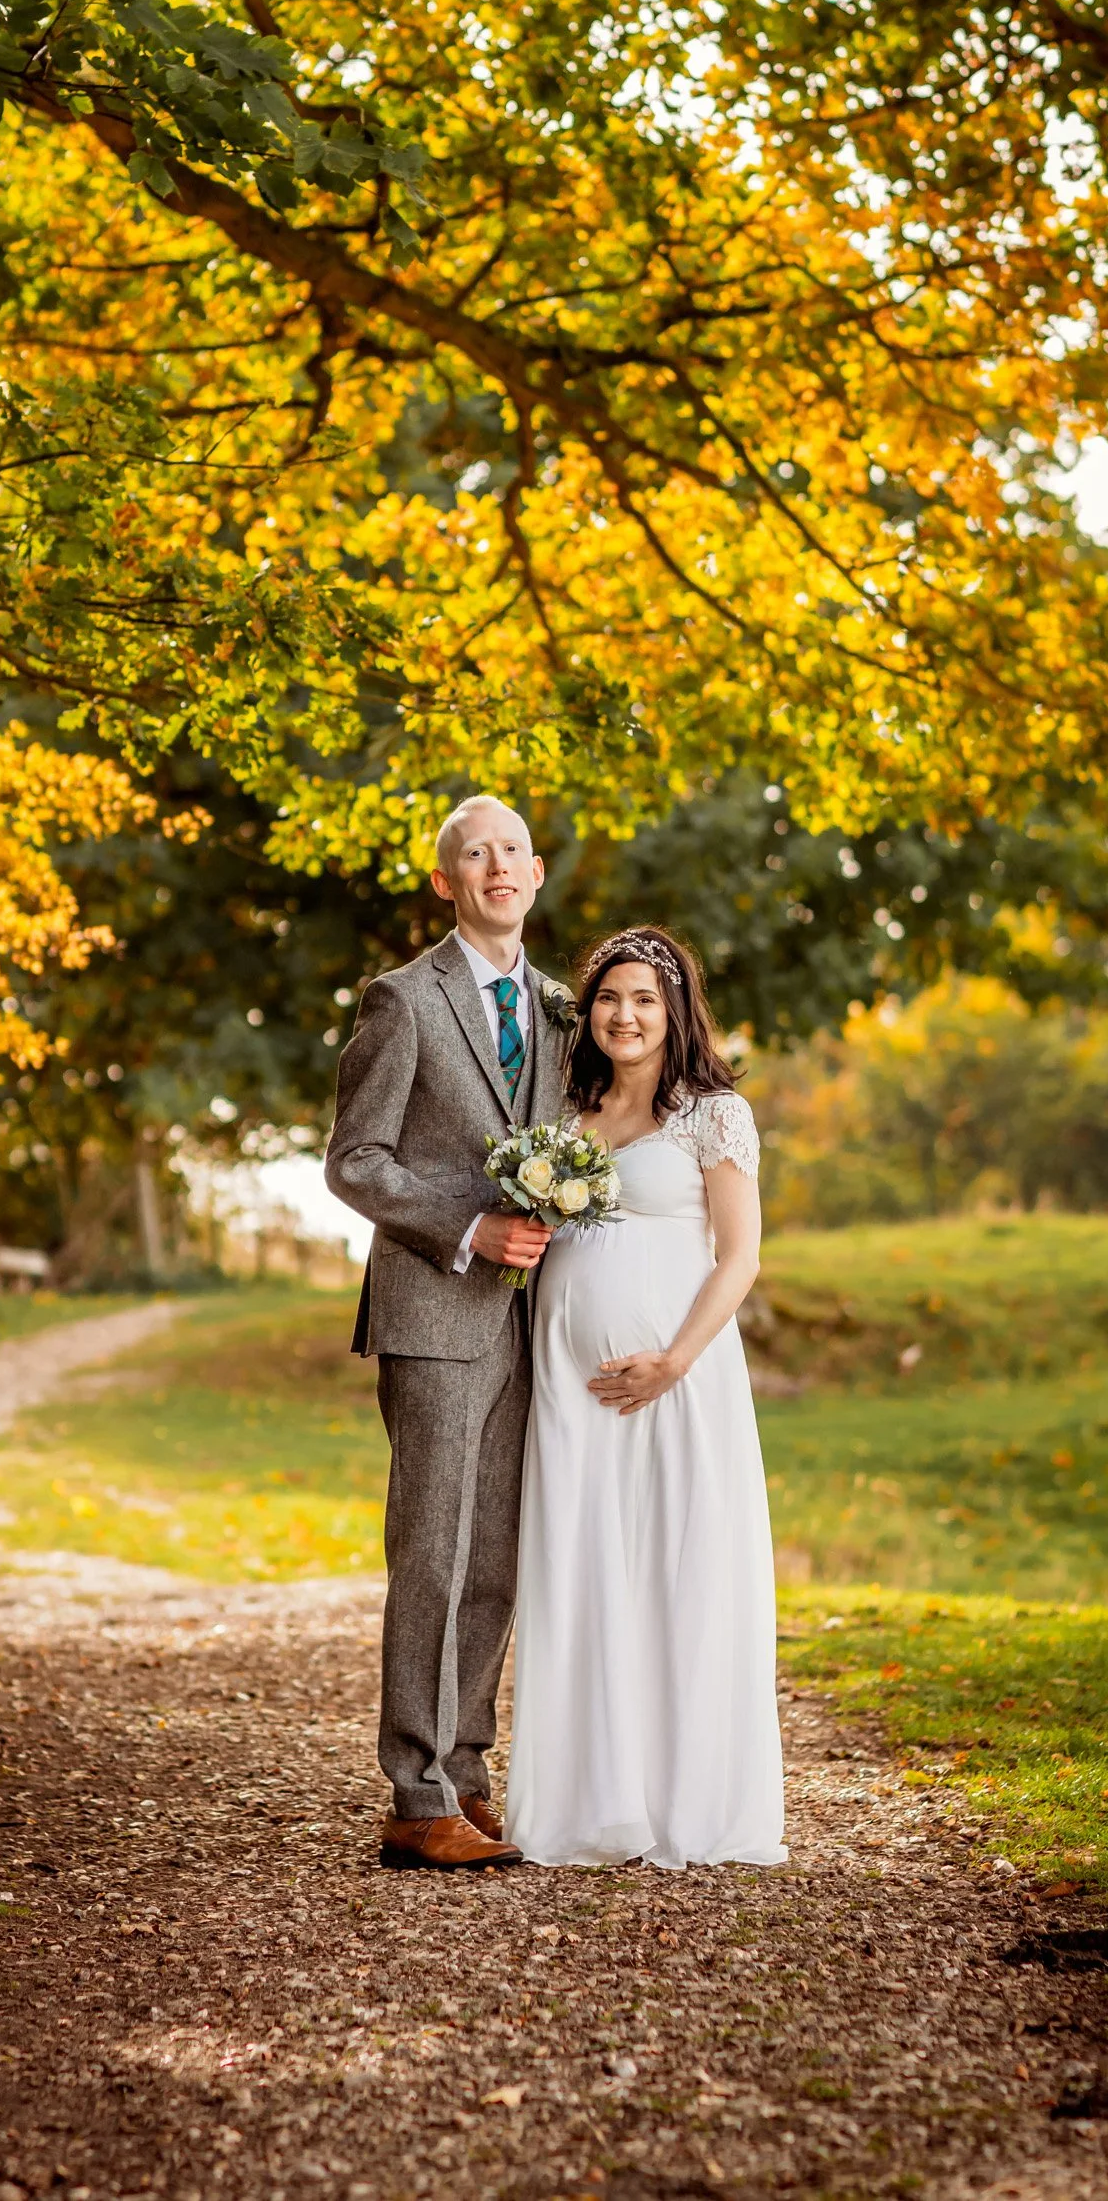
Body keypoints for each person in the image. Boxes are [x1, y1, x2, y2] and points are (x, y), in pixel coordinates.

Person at [504, 924, 787, 1870]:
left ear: (674, 1014)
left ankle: (688, 1803)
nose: (624, 1016)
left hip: (678, 1383)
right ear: (586, 1014)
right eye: (609, 999)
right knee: (583, 1570)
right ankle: (592, 1805)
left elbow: (740, 1254)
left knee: (679, 1569)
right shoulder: (562, 1114)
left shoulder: (712, 1113)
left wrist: (673, 1361)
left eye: (645, 1000)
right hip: (569, 1390)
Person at [324, 796, 567, 1870]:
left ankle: (466, 1772)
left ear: (536, 872)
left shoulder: (563, 1010)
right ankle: (412, 1790)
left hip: (536, 1322)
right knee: (431, 1549)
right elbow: (355, 1159)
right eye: (474, 853)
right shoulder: (401, 1000)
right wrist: (465, 1223)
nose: (495, 866)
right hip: (433, 1307)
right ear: (446, 882)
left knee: (498, 1560)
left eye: (510, 849)